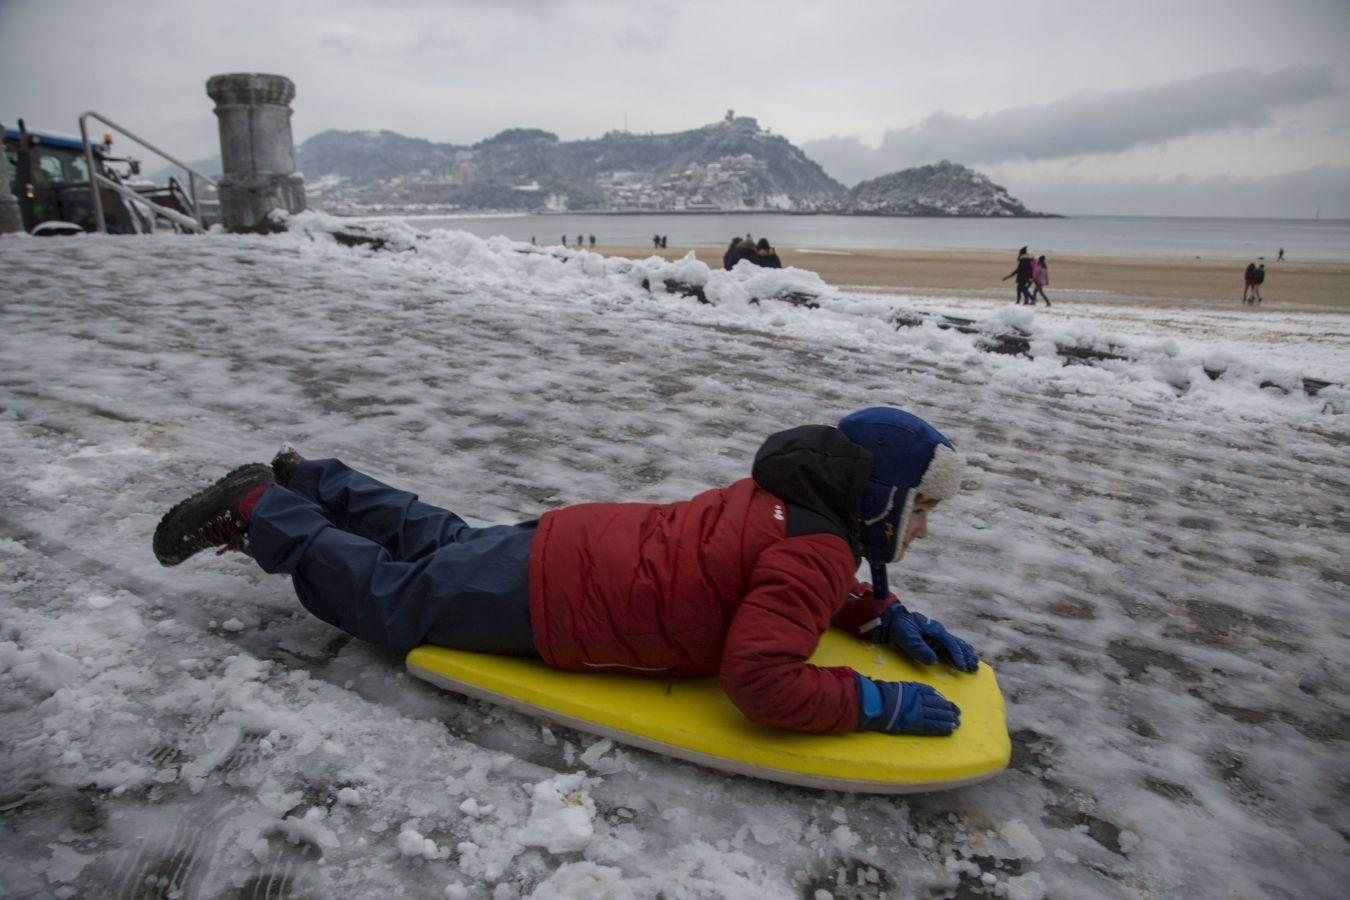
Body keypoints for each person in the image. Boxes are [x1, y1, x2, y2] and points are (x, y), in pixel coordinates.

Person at [152, 408, 979, 737]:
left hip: (572, 543)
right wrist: (877, 703)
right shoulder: (819, 549)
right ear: (878, 499)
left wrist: (874, 612)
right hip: (557, 601)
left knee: (441, 543)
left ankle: (313, 476)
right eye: (920, 511)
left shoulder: (790, 500)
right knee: (396, 597)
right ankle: (263, 506)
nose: (926, 529)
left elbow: (774, 577)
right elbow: (760, 680)